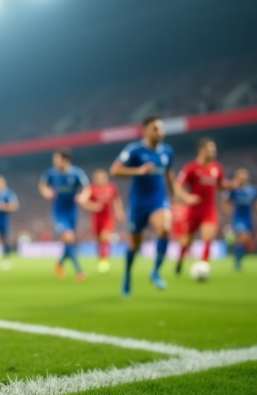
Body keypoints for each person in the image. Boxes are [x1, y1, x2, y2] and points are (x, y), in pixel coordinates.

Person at [110, 115, 176, 297]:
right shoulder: (134, 150)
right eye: (155, 128)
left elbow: (169, 173)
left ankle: (155, 272)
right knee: (135, 246)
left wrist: (174, 195)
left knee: (165, 228)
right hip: (138, 203)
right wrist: (138, 170)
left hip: (158, 200)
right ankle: (127, 276)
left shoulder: (167, 152)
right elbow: (114, 170)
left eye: (161, 128)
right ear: (145, 130)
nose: (160, 132)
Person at [174, 138, 234, 274]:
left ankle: (204, 266)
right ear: (202, 150)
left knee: (208, 237)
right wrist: (186, 197)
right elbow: (178, 185)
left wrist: (231, 184)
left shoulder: (216, 168)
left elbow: (221, 184)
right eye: (211, 149)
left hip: (209, 210)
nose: (214, 152)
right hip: (193, 211)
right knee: (187, 241)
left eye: (214, 149)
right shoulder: (191, 168)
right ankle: (180, 259)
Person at [39, 149, 91, 281]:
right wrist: (46, 192)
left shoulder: (77, 173)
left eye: (57, 159)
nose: (55, 162)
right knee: (69, 237)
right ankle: (79, 271)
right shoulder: (51, 173)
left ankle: (59, 264)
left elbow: (87, 188)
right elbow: (43, 185)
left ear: (65, 160)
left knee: (69, 241)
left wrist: (84, 196)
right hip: (58, 212)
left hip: (73, 211)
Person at [223, 168, 257, 270]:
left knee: (246, 241)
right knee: (244, 237)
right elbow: (224, 202)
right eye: (240, 177)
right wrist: (229, 209)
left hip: (249, 218)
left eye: (244, 176)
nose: (243, 178)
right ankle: (237, 263)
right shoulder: (233, 189)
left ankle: (238, 259)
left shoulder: (253, 189)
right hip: (238, 217)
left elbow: (256, 203)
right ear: (237, 178)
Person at [83, 169, 124, 273]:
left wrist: (119, 211)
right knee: (98, 240)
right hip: (96, 218)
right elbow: (84, 201)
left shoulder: (111, 188)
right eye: (98, 178)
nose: (100, 180)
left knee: (105, 237)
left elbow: (116, 200)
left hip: (108, 217)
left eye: (102, 177)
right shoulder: (91, 188)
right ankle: (101, 259)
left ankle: (105, 260)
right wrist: (93, 206)